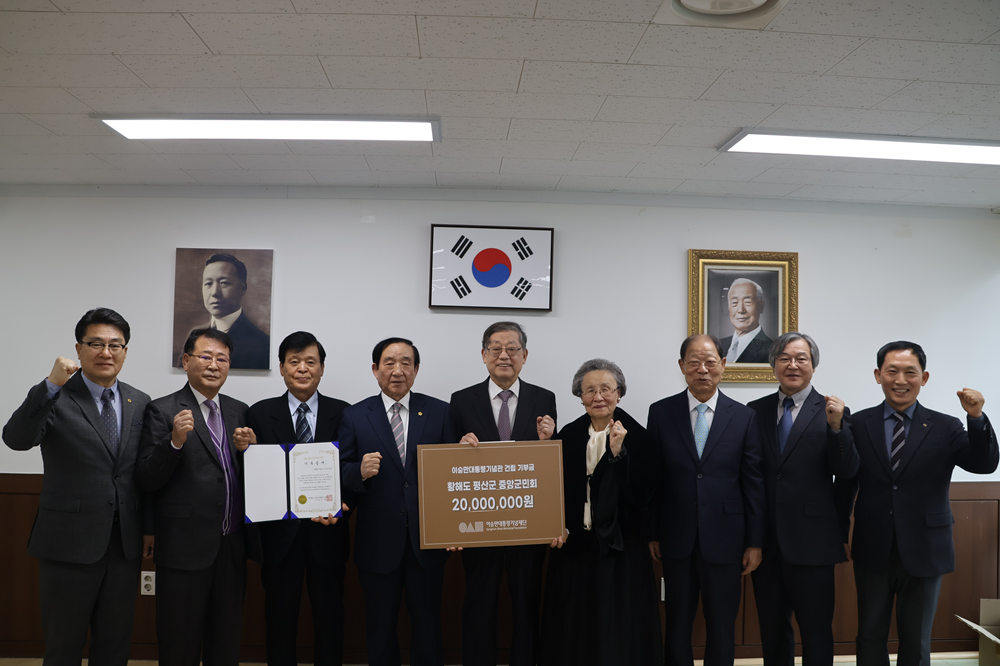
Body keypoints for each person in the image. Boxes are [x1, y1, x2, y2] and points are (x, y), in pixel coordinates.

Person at [2, 308, 152, 666]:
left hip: (122, 545)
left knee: (114, 645)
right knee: (63, 646)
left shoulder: (139, 401)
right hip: (67, 543)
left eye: (116, 345)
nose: (106, 352)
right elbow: (16, 439)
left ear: (126, 351)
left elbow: (140, 475)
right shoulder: (58, 395)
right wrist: (50, 384)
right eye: (96, 343)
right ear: (78, 348)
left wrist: (148, 528)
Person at [850, 341, 998, 666]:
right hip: (872, 545)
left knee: (916, 639)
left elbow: (984, 464)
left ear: (924, 378)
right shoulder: (858, 424)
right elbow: (845, 479)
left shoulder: (946, 426)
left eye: (910, 372)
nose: (900, 379)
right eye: (892, 371)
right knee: (869, 635)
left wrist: (976, 417)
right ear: (878, 375)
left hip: (926, 547)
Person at [135, 327, 259, 666]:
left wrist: (252, 451)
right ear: (186, 360)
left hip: (231, 544)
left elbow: (244, 477)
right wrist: (174, 442)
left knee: (226, 641)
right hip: (183, 548)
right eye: (206, 356)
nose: (214, 365)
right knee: (180, 643)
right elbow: (147, 478)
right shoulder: (162, 410)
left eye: (222, 358)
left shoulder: (239, 411)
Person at [648, 333, 766, 666]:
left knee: (722, 625)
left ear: (723, 365)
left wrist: (755, 543)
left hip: (727, 540)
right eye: (695, 362)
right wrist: (653, 532)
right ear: (682, 366)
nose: (703, 369)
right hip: (676, 537)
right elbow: (654, 480)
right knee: (677, 623)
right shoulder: (660, 412)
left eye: (710, 362)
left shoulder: (744, 417)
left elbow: (753, 483)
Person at [538, 359, 661, 666]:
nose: (598, 397)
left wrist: (619, 455)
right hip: (576, 547)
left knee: (619, 627)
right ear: (579, 396)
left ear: (619, 394)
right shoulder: (567, 435)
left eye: (606, 389)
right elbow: (553, 489)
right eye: (589, 390)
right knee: (574, 621)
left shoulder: (640, 437)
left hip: (622, 548)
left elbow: (642, 495)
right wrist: (544, 447)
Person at [747, 333, 860, 666]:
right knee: (772, 629)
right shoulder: (755, 411)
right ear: (773, 365)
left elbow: (848, 470)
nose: (792, 365)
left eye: (801, 358)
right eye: (784, 358)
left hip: (813, 541)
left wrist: (837, 427)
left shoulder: (831, 409)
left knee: (816, 630)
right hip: (766, 542)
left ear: (813, 365)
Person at [339, 337, 453, 666]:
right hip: (377, 543)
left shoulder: (440, 411)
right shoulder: (355, 415)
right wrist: (357, 472)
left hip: (428, 543)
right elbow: (340, 470)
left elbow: (451, 477)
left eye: (406, 363)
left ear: (416, 370)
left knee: (428, 626)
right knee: (380, 627)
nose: (397, 370)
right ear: (375, 369)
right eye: (389, 362)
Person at [449, 321, 558, 666]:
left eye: (512, 348)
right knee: (479, 602)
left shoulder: (545, 398)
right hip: (480, 525)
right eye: (495, 348)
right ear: (483, 355)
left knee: (527, 603)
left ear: (525, 356)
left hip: (528, 523)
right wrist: (459, 448)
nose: (504, 355)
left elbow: (549, 464)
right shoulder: (461, 400)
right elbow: (451, 467)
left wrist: (549, 441)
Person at [245, 331, 351, 666]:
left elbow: (350, 469)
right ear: (281, 368)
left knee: (331, 618)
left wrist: (345, 505)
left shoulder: (344, 412)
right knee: (279, 618)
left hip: (328, 532)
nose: (302, 368)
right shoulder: (259, 414)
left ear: (321, 369)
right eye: (294, 361)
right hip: (279, 537)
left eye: (310, 362)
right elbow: (251, 473)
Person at [196, 252, 269, 369]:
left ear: (243, 289)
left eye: (224, 283)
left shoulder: (261, 343)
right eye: (208, 283)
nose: (214, 292)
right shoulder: (195, 336)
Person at [720, 278, 772, 363]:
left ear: (761, 307)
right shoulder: (718, 345)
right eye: (734, 302)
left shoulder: (772, 350)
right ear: (728, 306)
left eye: (748, 302)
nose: (741, 310)